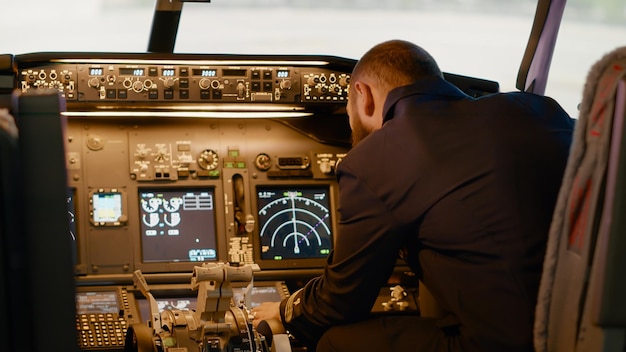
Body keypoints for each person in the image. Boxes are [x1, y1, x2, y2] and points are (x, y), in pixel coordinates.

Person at [250, 39, 575, 351]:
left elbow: (340, 302)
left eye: (349, 111)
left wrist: (285, 312)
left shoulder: (376, 157)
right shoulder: (539, 109)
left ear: (363, 96)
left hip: (505, 344)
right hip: (581, 329)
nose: (351, 126)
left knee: (334, 341)